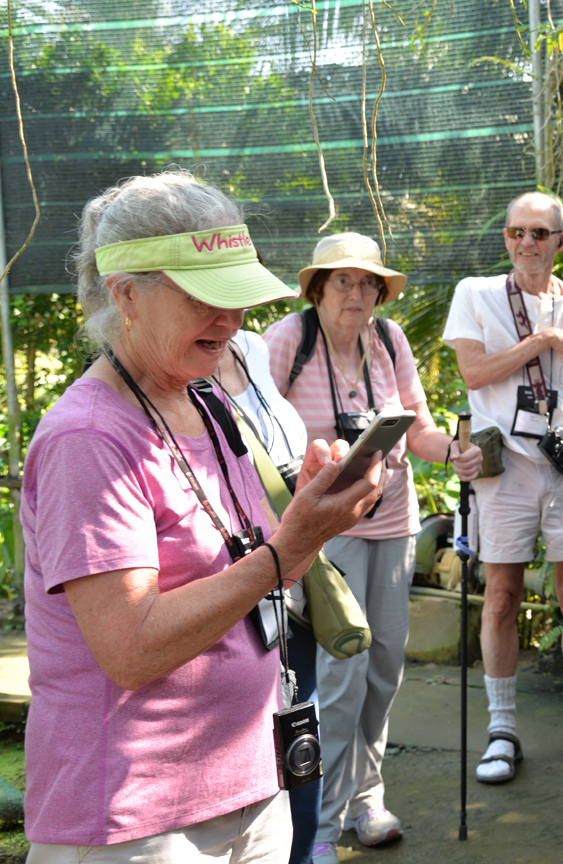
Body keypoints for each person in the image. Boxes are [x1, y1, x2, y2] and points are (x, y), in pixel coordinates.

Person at [22, 170, 384, 862]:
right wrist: (288, 548)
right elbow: (131, 649)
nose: (232, 319)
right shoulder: (89, 439)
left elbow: (254, 567)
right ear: (127, 294)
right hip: (139, 817)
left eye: (238, 297)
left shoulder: (206, 401)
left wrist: (311, 519)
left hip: (248, 785)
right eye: (206, 298)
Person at [265, 233, 482, 864]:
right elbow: (260, 425)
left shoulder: (389, 340)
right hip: (329, 529)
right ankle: (325, 825)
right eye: (344, 282)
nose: (358, 294)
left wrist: (454, 451)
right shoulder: (288, 340)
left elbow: (417, 425)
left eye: (369, 284)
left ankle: (368, 798)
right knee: (342, 674)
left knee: (385, 668)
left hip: (392, 519)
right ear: (317, 288)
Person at [442, 191, 563, 785]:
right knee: (501, 597)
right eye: (517, 233)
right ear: (507, 239)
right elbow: (473, 372)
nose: (527, 244)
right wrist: (541, 342)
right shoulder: (477, 294)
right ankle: (502, 729)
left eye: (540, 234)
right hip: (505, 465)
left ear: (562, 242)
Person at [212, 330, 325, 864]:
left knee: (300, 726)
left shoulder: (251, 347)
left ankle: (303, 850)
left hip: (288, 575)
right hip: (239, 576)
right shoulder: (164, 376)